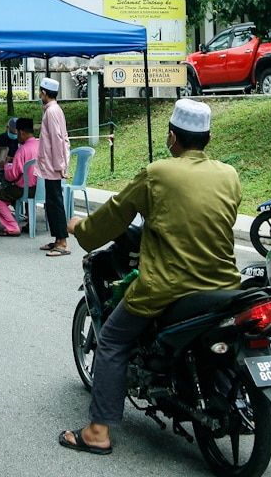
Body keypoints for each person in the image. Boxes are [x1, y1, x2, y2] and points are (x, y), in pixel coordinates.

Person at [58, 98, 241, 456]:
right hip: (224, 284)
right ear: (208, 137)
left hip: (167, 287)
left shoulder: (158, 173)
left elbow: (114, 216)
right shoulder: (229, 174)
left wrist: (82, 228)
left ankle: (97, 431)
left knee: (111, 341)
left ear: (172, 136)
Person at [0, 117, 39, 236]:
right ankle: (29, 221)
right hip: (40, 188)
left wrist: (6, 165)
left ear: (21, 132)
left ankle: (12, 227)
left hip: (24, 188)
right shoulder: (40, 145)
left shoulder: (23, 150)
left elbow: (12, 176)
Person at [38, 77, 71, 256]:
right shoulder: (52, 110)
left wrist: (60, 165)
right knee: (51, 202)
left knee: (55, 202)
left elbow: (57, 140)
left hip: (53, 165)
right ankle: (57, 239)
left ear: (44, 92)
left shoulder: (51, 112)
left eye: (40, 92)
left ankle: (63, 242)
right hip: (51, 164)